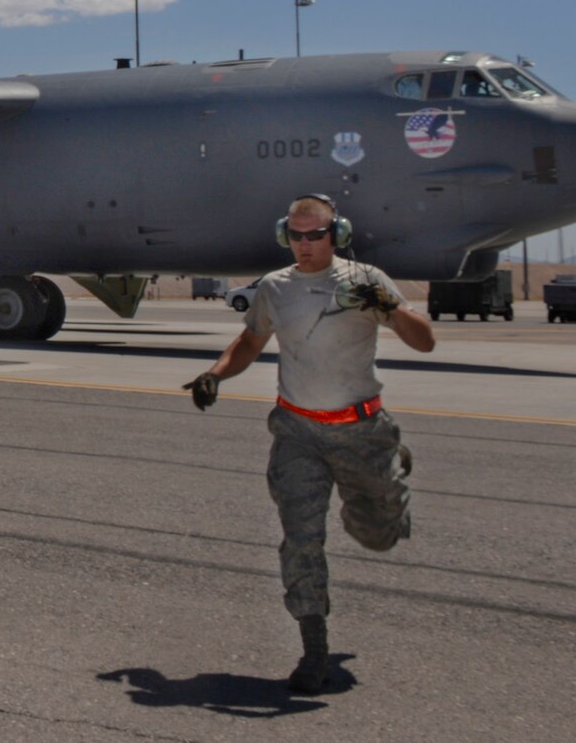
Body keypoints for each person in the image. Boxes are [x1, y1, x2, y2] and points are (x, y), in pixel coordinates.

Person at [183, 192, 436, 695]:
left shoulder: (367, 282)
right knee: (301, 539)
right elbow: (250, 341)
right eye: (295, 235)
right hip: (298, 431)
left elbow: (423, 340)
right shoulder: (276, 288)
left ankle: (390, 474)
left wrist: (388, 306)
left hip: (361, 432)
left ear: (336, 234)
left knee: (377, 535)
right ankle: (313, 649)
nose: (304, 244)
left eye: (314, 234)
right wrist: (216, 373)